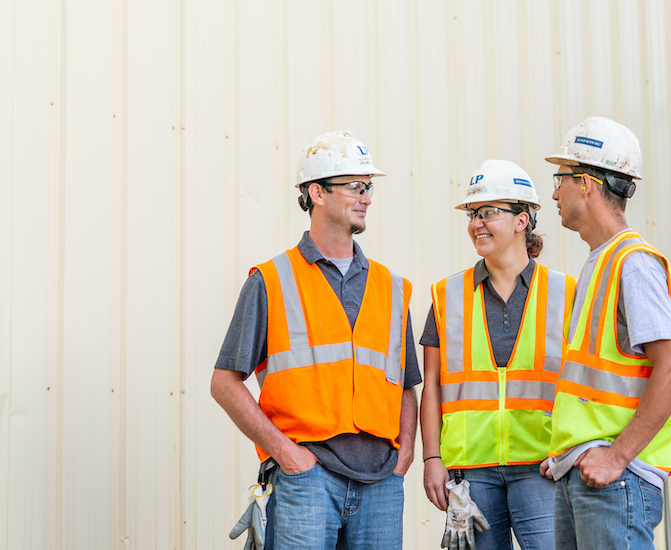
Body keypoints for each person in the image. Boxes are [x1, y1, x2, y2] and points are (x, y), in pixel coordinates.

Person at [211, 130, 420, 550]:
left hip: (381, 481)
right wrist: (287, 455)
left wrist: (405, 455)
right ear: (317, 193)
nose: (366, 198)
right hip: (307, 479)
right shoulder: (271, 280)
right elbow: (224, 383)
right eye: (355, 187)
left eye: (369, 188)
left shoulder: (392, 287)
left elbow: (405, 386)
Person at [540, 117, 671, 550]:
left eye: (561, 179)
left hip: (616, 482)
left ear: (585, 183)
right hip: (587, 475)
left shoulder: (633, 263)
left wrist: (617, 456)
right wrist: (568, 454)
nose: (554, 193)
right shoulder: (601, 261)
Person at [420, 160, 576, 550]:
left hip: (542, 467)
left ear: (522, 220)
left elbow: (583, 384)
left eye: (488, 212)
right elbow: (432, 388)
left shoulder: (567, 293)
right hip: (470, 472)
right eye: (473, 214)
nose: (476, 223)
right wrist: (431, 459)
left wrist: (573, 451)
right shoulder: (446, 295)